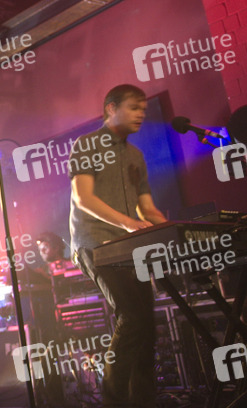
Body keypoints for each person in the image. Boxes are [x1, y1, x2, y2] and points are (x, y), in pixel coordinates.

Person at [68, 84, 167, 408]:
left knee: (146, 328)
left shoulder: (136, 155)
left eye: (144, 109)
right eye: (134, 107)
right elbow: (83, 198)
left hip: (128, 247)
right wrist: (126, 223)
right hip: (96, 243)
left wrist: (175, 230)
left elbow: (147, 209)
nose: (141, 114)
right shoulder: (87, 144)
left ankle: (143, 402)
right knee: (133, 317)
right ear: (111, 108)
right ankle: (114, 402)